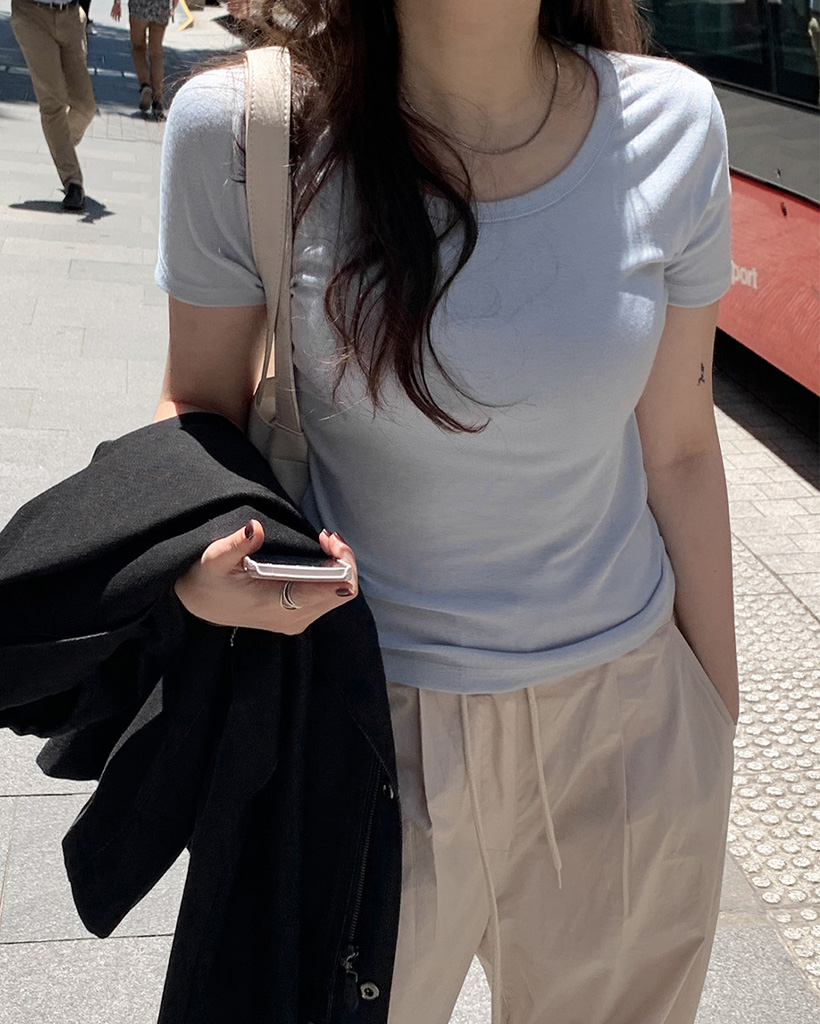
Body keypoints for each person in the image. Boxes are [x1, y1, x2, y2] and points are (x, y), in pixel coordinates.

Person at [155, 0, 739, 1021]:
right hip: (357, 731)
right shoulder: (244, 130)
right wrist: (200, 569)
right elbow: (197, 408)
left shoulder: (674, 121)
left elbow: (682, 448)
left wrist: (710, 725)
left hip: (629, 727)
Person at [10, 0, 96, 210]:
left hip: (70, 15)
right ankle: (73, 182)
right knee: (53, 101)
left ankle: (61, 145)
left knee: (85, 106)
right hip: (32, 13)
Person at [110, 0, 178, 120]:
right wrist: (173, 7)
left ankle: (144, 83)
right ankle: (157, 101)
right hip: (161, 8)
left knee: (138, 48)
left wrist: (117, 3)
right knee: (156, 54)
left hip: (138, 8)